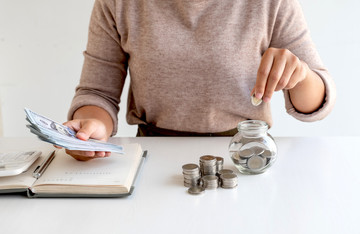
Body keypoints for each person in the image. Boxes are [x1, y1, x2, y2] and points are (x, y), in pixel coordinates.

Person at [64, 0, 336, 160]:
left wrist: (300, 75)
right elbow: (97, 93)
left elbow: (318, 102)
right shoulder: (117, 4)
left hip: (246, 156)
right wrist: (92, 128)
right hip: (152, 154)